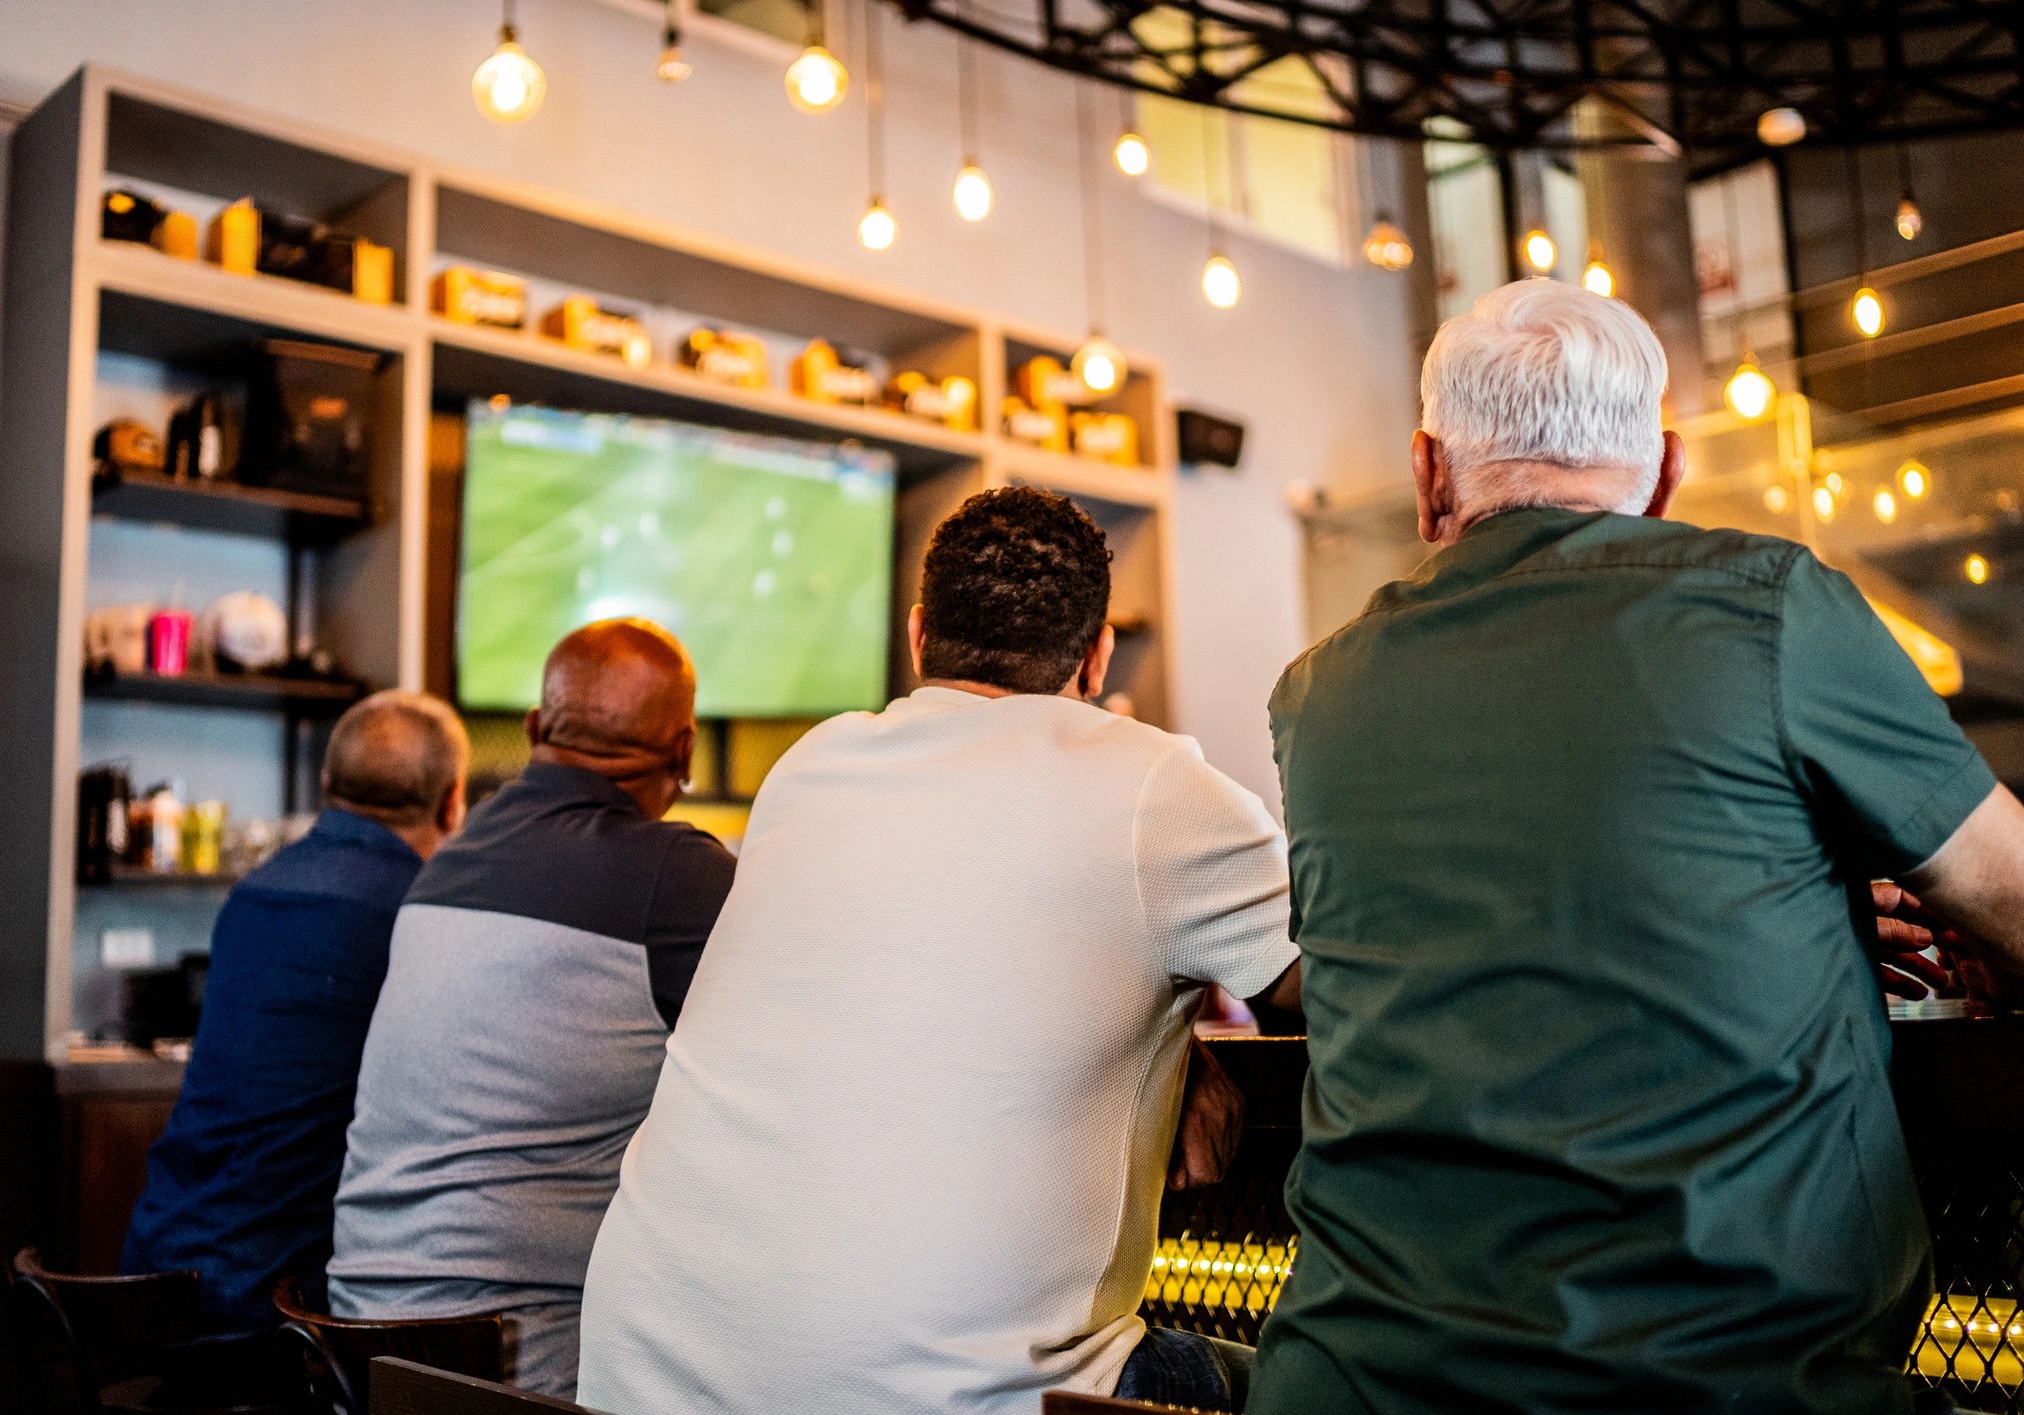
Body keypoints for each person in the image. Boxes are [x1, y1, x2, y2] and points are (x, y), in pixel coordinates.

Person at [1253, 279, 2024, 1415]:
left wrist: (1800, 909)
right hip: (1723, 1387)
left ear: (1429, 474)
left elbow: (1530, 904)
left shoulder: (1312, 694)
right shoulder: (1770, 607)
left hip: (1353, 1383)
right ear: (1665, 471)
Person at [577, 487, 1300, 1415]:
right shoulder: (1152, 779)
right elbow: (1340, 984)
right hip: (962, 1398)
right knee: (1321, 1377)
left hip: (644, 1375)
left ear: (919, 639)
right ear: (1097, 655)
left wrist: (1153, 1042)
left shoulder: (810, 764)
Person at [327, 619, 735, 1401]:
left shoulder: (449, 857)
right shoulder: (676, 873)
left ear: (532, 729)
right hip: (512, 1366)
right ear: (683, 752)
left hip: (357, 1339)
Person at [122, 690, 469, 1331]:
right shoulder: (421, 913)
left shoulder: (255, 891)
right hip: (281, 1309)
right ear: (452, 802)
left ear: (327, 783)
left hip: (157, 1271)